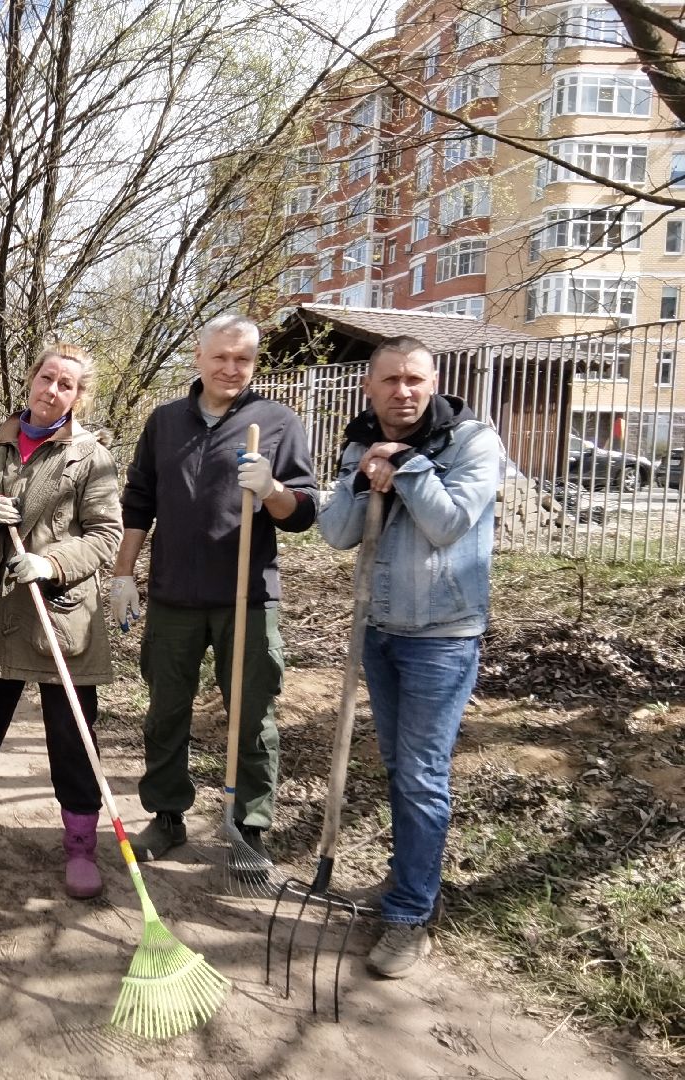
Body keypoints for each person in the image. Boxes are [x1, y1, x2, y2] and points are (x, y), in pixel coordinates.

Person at [317, 336, 499, 978]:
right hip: (381, 628)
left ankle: (411, 916)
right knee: (399, 766)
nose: (403, 391)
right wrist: (365, 477)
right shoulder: (359, 442)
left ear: (434, 380)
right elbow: (338, 532)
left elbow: (450, 524)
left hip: (441, 635)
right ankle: (407, 884)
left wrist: (408, 467)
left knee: (422, 775)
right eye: (390, 379)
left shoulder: (472, 442)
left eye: (414, 378)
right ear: (370, 386)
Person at [111, 313, 317, 869]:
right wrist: (124, 572)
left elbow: (304, 510)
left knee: (251, 715)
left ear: (254, 363)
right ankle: (167, 816)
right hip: (175, 595)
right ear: (199, 358)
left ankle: (250, 827)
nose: (231, 368)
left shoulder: (274, 421)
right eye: (221, 356)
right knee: (166, 711)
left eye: (243, 358)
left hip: (246, 597)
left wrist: (272, 490)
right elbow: (139, 501)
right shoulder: (165, 422)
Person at [0, 343, 123, 899]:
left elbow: (106, 537)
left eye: (67, 384)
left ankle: (81, 849)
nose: (53, 390)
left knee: (73, 740)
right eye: (47, 378)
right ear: (30, 379)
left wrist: (52, 562)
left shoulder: (92, 457)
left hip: (62, 621)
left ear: (78, 395)